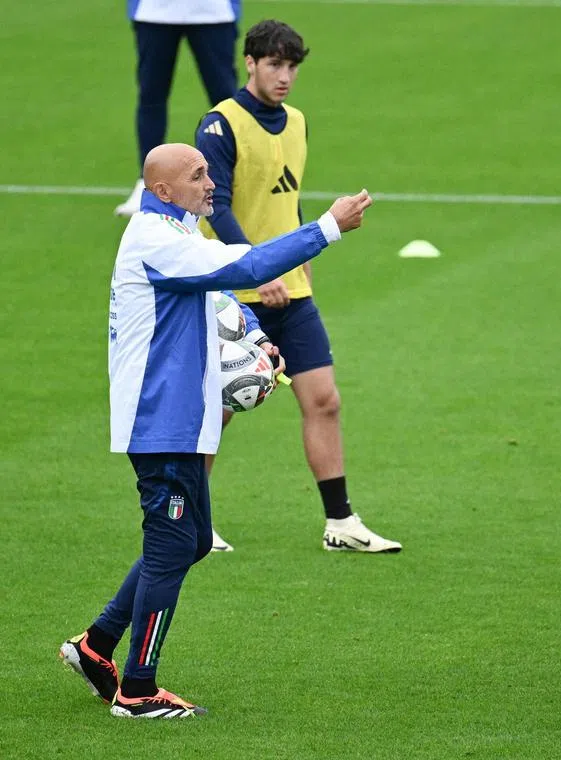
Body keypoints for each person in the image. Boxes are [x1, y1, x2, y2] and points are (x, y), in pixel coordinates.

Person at [59, 143, 372, 717]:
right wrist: (328, 227)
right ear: (162, 191)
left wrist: (257, 337)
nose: (210, 184)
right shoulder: (155, 240)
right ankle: (137, 689)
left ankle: (96, 645)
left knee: (192, 540)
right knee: (172, 544)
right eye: (198, 175)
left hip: (180, 419)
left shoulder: (182, 235)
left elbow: (224, 291)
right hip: (162, 422)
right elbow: (246, 267)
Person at [196, 20, 401, 554]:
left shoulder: (298, 122)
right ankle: (194, 521)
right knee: (216, 408)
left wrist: (303, 253)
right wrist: (258, 272)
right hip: (236, 291)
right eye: (275, 65)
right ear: (250, 63)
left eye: (292, 67)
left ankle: (341, 523)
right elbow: (215, 207)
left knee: (324, 400)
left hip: (289, 285)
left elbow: (286, 197)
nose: (285, 76)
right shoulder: (220, 125)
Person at [116, 0, 241, 217]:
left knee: (225, 100)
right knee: (151, 96)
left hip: (213, 10)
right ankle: (147, 185)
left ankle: (237, 182)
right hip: (154, 11)